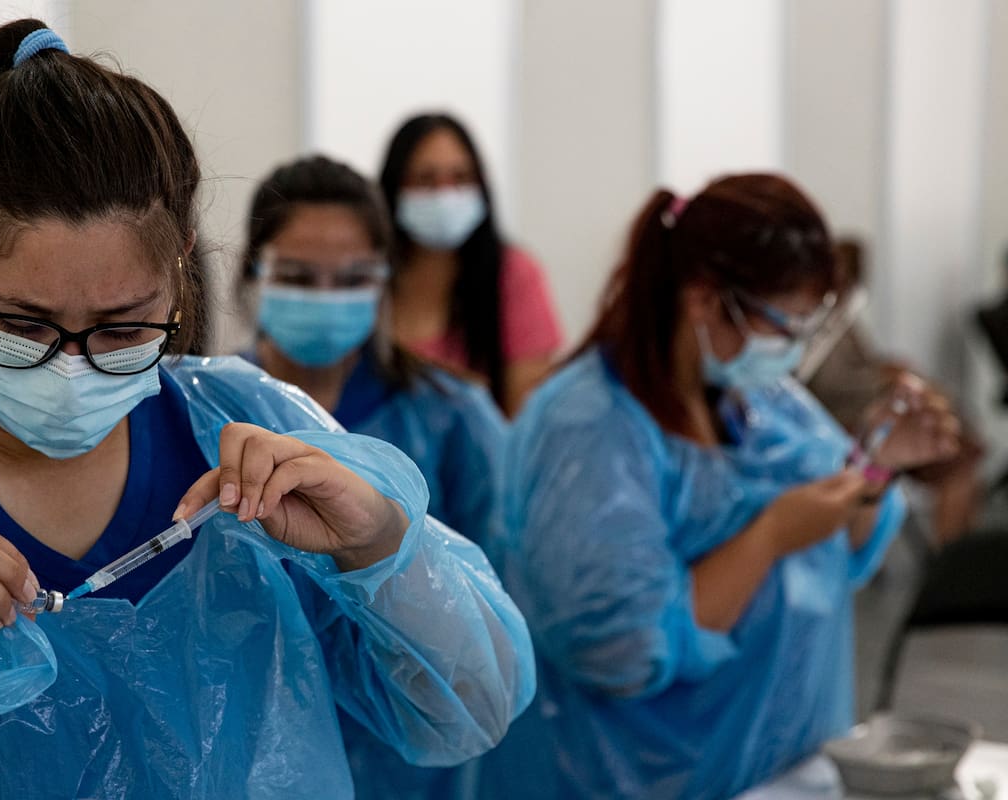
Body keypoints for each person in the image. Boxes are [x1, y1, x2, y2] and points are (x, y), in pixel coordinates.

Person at [0, 21, 534, 799]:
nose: (72, 366)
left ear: (184, 260)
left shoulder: (241, 424)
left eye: (123, 329)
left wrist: (381, 548)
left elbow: (467, 710)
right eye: (22, 327)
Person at [476, 175, 961, 799]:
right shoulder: (587, 431)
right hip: (627, 776)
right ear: (706, 301)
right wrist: (768, 538)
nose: (793, 349)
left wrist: (874, 468)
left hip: (781, 768)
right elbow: (619, 649)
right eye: (784, 325)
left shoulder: (764, 404)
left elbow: (837, 552)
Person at [239, 154, 507, 799]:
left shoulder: (452, 420)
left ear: (386, 282)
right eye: (300, 277)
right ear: (252, 275)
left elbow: (488, 616)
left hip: (412, 768)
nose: (327, 297)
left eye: (352, 277)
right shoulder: (212, 418)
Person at [378, 113, 563, 417]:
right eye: (426, 179)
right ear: (394, 187)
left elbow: (526, 417)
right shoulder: (366, 278)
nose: (445, 194)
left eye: (460, 178)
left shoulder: (514, 274)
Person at [803, 238, 984, 546]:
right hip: (851, 419)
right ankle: (950, 555)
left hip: (873, 413)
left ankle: (961, 554)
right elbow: (829, 387)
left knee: (958, 444)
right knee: (951, 456)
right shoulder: (811, 327)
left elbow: (866, 362)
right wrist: (883, 383)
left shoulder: (842, 320)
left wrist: (893, 371)